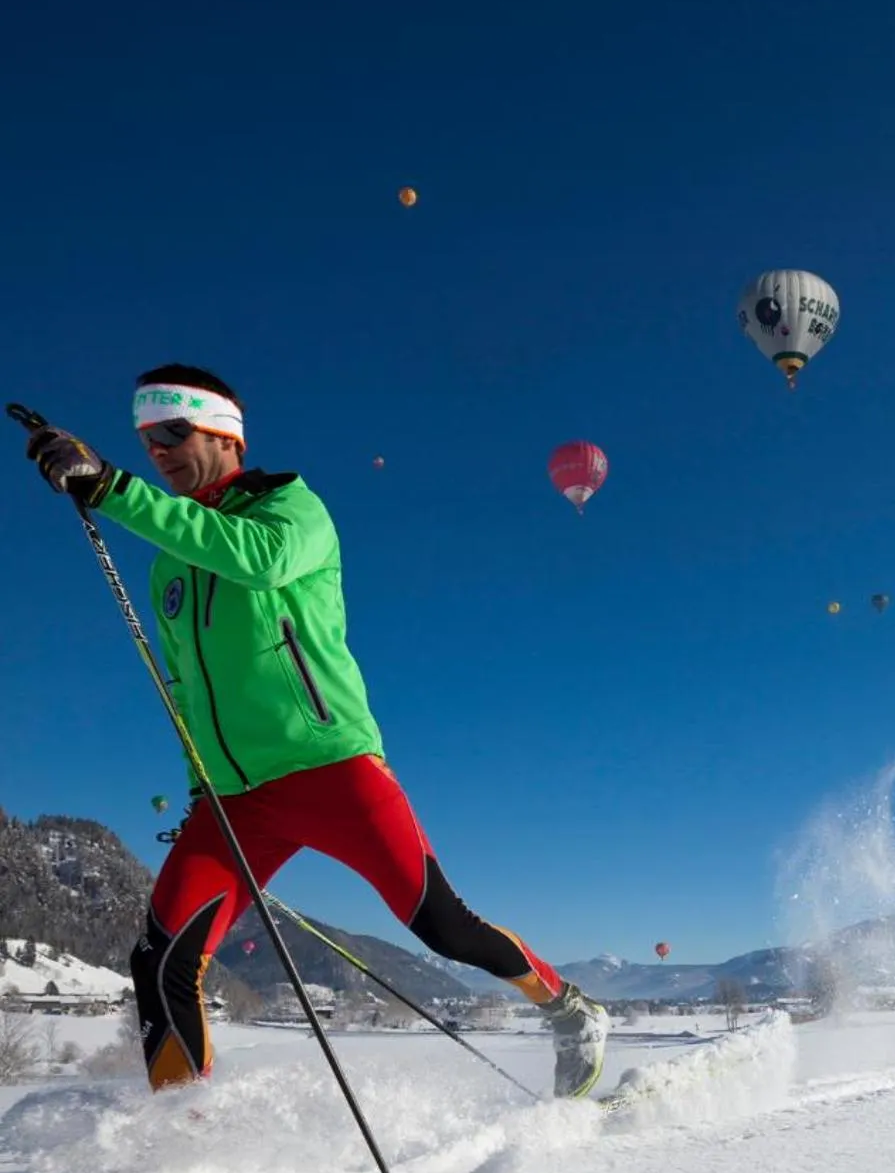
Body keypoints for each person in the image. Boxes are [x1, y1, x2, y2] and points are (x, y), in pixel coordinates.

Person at [25, 363, 609, 1098]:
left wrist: (111, 488)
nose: (160, 450)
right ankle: (182, 1138)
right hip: (235, 797)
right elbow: (182, 687)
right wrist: (198, 782)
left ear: (223, 433)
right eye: (147, 439)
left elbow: (256, 560)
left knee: (442, 925)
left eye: (174, 431)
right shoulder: (171, 558)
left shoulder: (290, 509)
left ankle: (566, 1006)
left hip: (331, 767)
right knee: (162, 958)